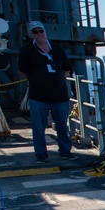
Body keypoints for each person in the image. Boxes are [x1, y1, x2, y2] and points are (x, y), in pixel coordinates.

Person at [17, 21, 76, 163]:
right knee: (38, 127)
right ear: (31, 34)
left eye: (41, 31)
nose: (39, 34)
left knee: (62, 125)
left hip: (59, 95)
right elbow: (22, 70)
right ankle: (41, 155)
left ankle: (65, 151)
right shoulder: (27, 50)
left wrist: (56, 80)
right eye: (35, 32)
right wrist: (36, 80)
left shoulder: (56, 48)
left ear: (45, 31)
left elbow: (67, 68)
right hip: (38, 96)